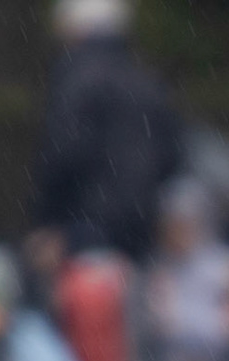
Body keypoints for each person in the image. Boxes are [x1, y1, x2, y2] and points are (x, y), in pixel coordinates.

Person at [31, 0, 183, 266]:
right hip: (141, 229)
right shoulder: (145, 79)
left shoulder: (76, 78)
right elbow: (172, 155)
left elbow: (64, 154)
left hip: (84, 227)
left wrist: (50, 221)